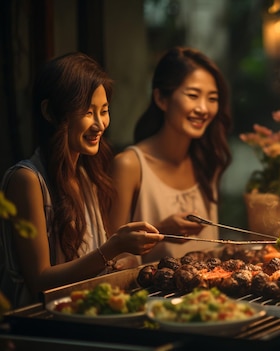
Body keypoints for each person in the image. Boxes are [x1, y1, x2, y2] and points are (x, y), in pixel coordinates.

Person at [0, 52, 163, 308]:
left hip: (85, 313)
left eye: (105, 111)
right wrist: (111, 248)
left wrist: (120, 261)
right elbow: (39, 281)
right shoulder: (27, 180)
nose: (100, 124)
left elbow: (91, 261)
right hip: (42, 327)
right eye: (88, 112)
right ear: (50, 112)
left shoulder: (88, 174)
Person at [109, 46, 232, 264]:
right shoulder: (129, 165)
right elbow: (110, 258)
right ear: (161, 99)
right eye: (193, 95)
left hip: (211, 294)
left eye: (212, 98)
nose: (204, 108)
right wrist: (161, 232)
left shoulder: (207, 160)